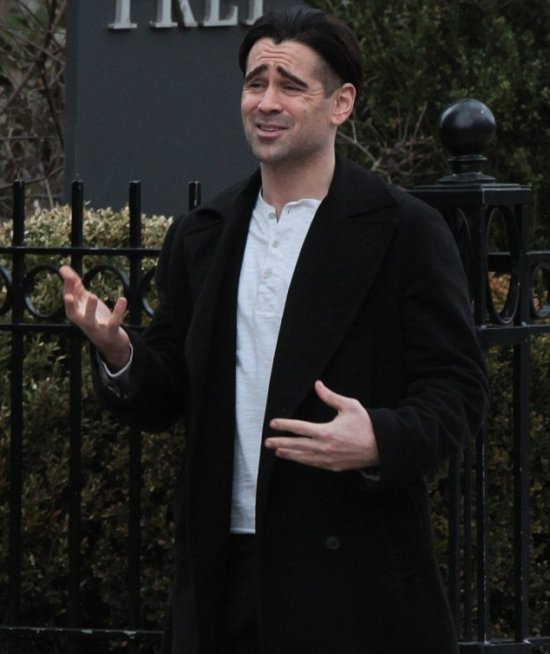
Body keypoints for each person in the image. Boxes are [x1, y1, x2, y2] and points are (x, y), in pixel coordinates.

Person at [61, 6, 488, 654]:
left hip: (353, 577)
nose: (266, 102)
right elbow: (167, 395)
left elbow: (458, 387)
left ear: (341, 103)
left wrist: (380, 437)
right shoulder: (204, 234)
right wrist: (118, 352)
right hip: (221, 573)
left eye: (291, 85)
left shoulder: (404, 230)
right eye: (255, 82)